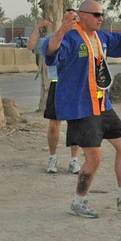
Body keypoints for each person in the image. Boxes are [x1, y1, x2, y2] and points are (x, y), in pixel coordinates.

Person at [45, 0, 121, 218]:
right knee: (95, 158)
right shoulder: (70, 37)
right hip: (82, 108)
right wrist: (62, 29)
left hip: (102, 104)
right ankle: (78, 203)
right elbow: (51, 50)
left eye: (102, 14)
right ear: (83, 15)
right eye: (96, 14)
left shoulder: (100, 37)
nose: (101, 18)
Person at [27, 19, 80, 174]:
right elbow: (30, 46)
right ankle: (52, 158)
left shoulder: (82, 39)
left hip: (76, 86)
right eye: (69, 20)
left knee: (75, 125)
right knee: (54, 125)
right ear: (64, 21)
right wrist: (37, 27)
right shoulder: (51, 39)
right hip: (57, 85)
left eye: (75, 20)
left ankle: (74, 160)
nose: (73, 23)